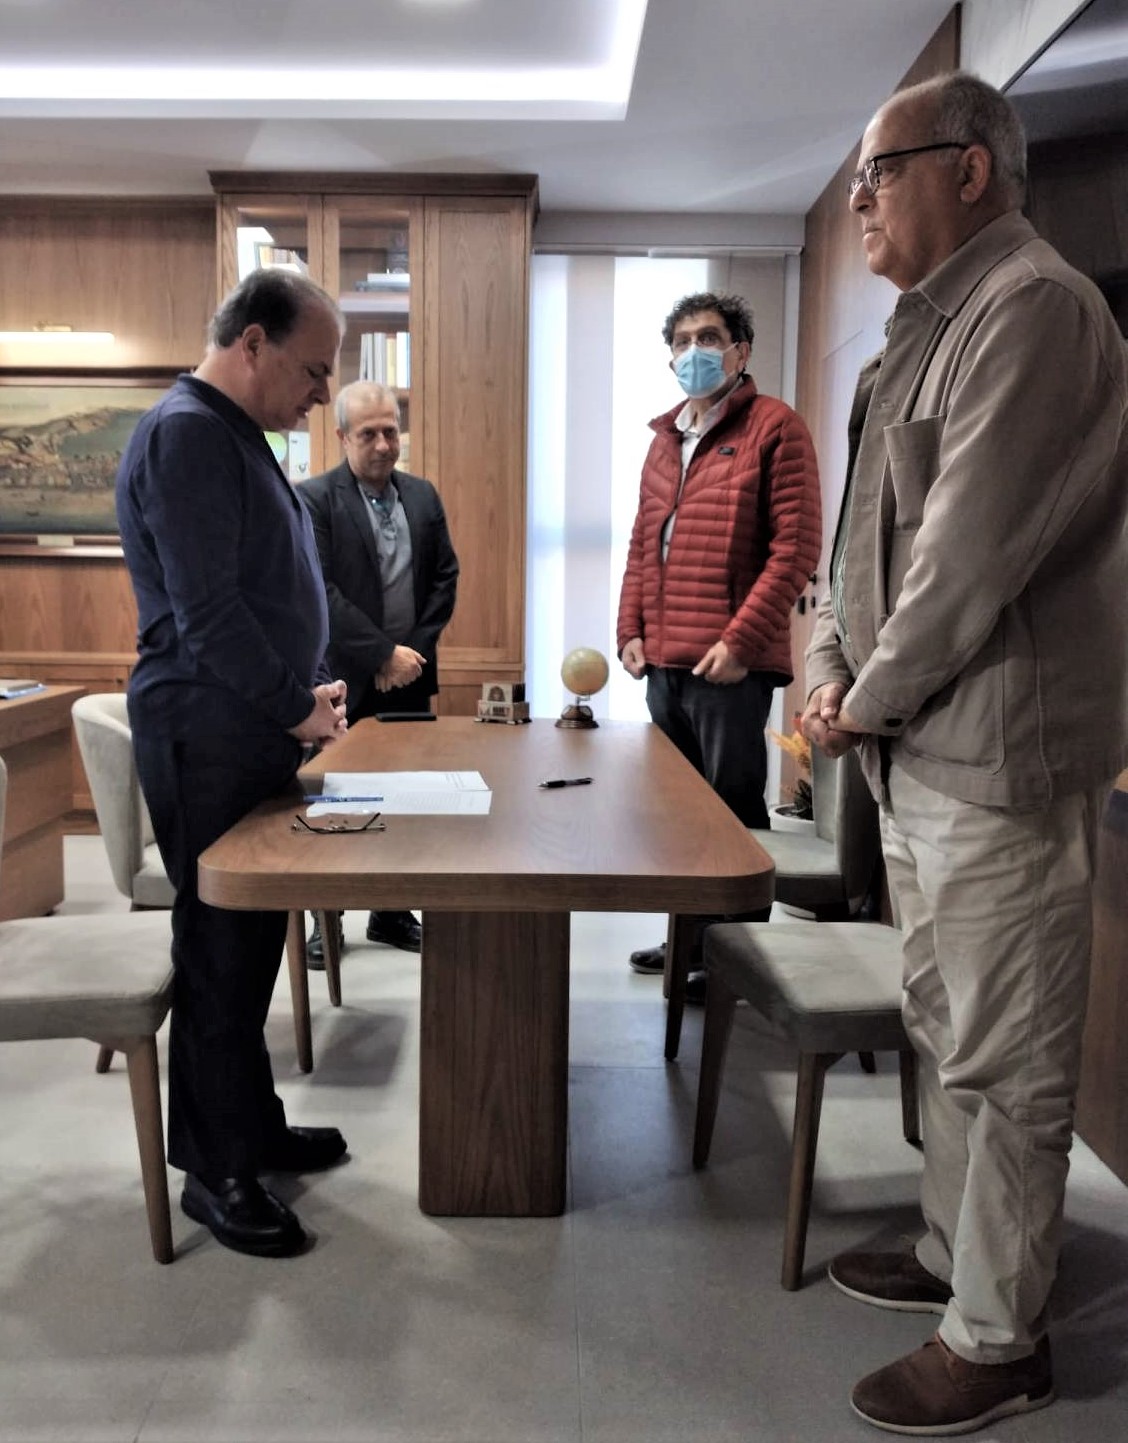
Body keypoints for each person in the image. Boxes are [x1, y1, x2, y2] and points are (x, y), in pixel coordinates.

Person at [803, 72, 1128, 1436]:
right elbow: (853, 549)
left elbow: (966, 559)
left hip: (994, 754)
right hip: (912, 751)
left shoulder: (1035, 307)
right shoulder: (911, 335)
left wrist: (859, 699)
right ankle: (952, 1254)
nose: (859, 201)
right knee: (941, 1027)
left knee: (1009, 1057)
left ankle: (999, 1339)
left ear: (972, 168)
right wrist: (829, 665)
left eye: (879, 173)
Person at [116, 268, 352, 1259]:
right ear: (252, 342)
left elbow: (266, 591)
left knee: (250, 942)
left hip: (244, 728)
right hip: (205, 732)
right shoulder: (186, 435)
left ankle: (250, 1126)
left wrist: (307, 690)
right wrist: (296, 705)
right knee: (218, 948)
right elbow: (208, 613)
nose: (324, 394)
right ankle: (213, 1173)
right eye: (313, 369)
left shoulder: (233, 434)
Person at [616, 290, 822, 999]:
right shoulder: (664, 439)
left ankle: (734, 962)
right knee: (680, 817)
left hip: (731, 668)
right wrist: (629, 629)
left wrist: (741, 641)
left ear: (741, 351)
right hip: (665, 663)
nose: (692, 351)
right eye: (680, 341)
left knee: (731, 815)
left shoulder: (775, 428)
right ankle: (689, 942)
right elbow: (644, 544)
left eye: (708, 337)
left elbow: (796, 549)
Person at [298, 380, 459, 960]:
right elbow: (321, 590)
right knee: (337, 801)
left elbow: (444, 579)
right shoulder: (315, 499)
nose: (384, 444)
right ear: (343, 436)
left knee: (402, 798)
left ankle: (391, 913)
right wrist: (381, 655)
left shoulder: (422, 496)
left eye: (391, 431)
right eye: (369, 434)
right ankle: (328, 918)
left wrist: (408, 655)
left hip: (409, 678)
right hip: (343, 680)